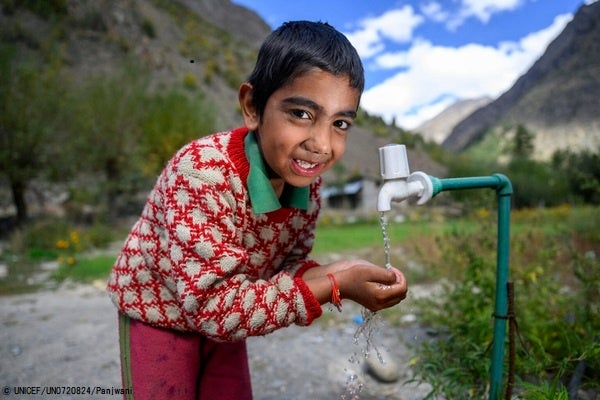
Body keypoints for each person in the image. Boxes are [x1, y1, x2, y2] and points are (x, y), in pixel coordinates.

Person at [107, 20, 408, 400]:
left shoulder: (307, 185)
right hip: (160, 310)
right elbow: (215, 308)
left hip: (228, 307)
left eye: (340, 123)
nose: (321, 144)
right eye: (301, 114)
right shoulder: (202, 173)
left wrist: (340, 274)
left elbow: (289, 263)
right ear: (252, 107)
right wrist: (332, 286)